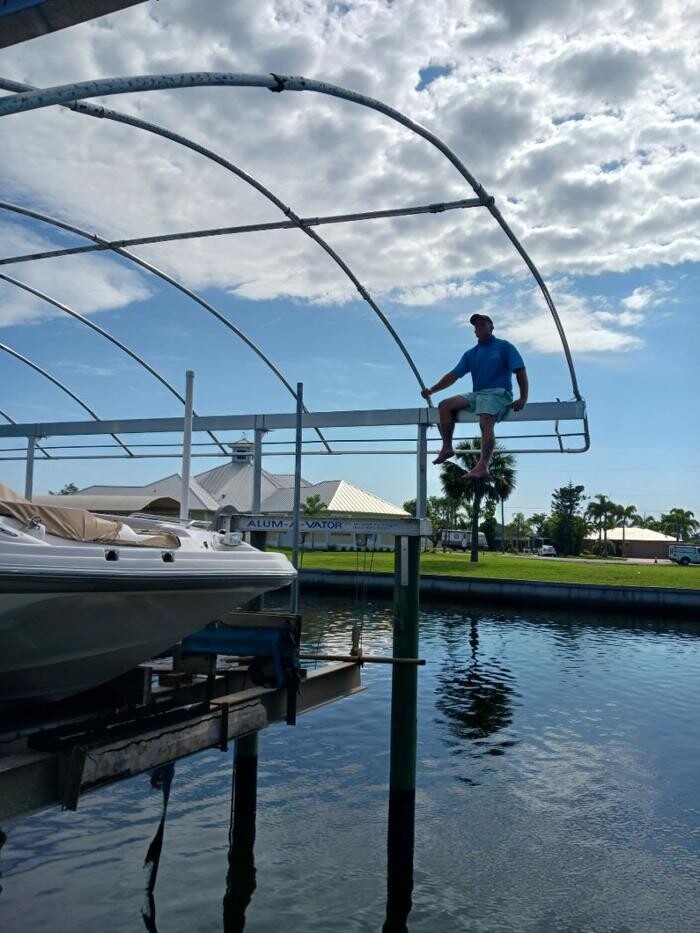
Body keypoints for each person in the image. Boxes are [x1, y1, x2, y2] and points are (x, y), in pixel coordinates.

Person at [421, 313, 528, 479]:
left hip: (499, 393)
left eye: (482, 324)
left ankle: (483, 465)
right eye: (476, 325)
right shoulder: (471, 354)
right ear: (474, 331)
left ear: (491, 327)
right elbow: (454, 375)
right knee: (444, 405)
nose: (479, 327)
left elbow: (520, 370)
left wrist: (523, 397)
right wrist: (432, 390)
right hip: (478, 394)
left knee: (485, 419)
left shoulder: (504, 346)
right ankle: (447, 447)